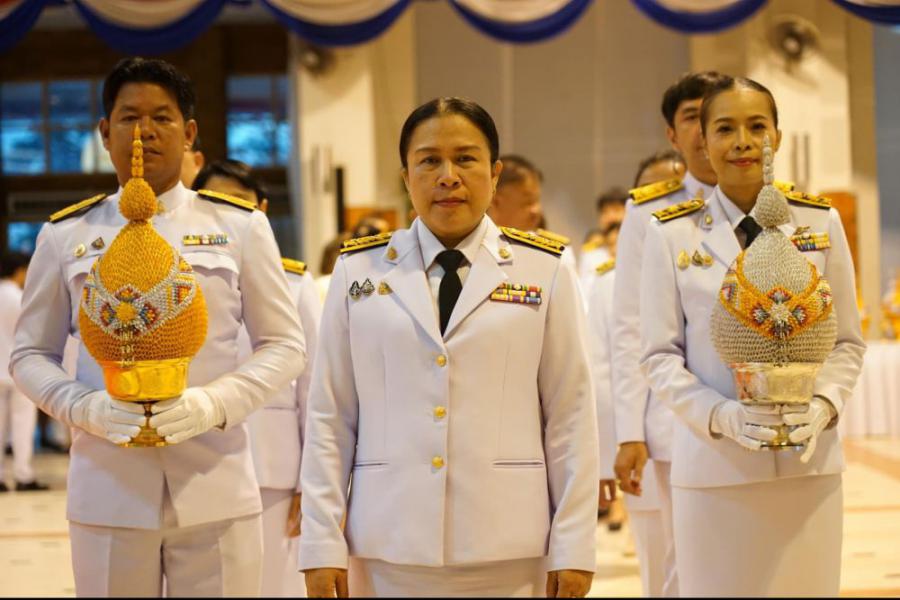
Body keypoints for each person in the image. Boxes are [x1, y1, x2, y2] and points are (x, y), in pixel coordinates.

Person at [11, 57, 306, 597]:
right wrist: (83, 407)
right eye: (129, 117)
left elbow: (284, 345)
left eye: (162, 118)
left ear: (189, 133)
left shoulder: (239, 226)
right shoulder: (66, 235)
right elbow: (29, 354)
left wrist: (215, 403)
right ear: (105, 132)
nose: (144, 131)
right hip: (108, 485)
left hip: (215, 481)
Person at [299, 97, 599, 598]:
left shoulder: (544, 270)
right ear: (406, 176)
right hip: (389, 539)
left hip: (508, 542)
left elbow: (571, 414)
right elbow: (330, 414)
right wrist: (321, 542)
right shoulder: (357, 272)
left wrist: (574, 544)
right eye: (429, 161)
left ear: (494, 173)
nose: (448, 177)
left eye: (465, 159)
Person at [640, 76, 865, 596]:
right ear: (703, 141)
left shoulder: (819, 221)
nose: (742, 141)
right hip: (715, 468)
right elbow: (658, 356)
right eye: (725, 128)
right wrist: (720, 416)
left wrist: (825, 405)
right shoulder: (670, 233)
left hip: (809, 467)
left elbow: (848, 342)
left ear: (777, 137)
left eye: (757, 126)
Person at [610, 70, 729, 598]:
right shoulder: (649, 210)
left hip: (756, 409)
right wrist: (629, 430)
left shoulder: (773, 204)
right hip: (675, 416)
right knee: (687, 560)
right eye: (692, 118)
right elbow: (629, 324)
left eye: (716, 117)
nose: (706, 131)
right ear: (672, 135)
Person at [195, 158, 321, 597]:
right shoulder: (179, 281)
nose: (226, 216)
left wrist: (311, 482)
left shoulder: (294, 283)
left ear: (261, 211)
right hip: (199, 460)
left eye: (238, 204)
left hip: (272, 465)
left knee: (271, 586)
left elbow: (314, 389)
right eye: (215, 204)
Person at [0, 252, 48, 492]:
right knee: (22, 425)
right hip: (18, 369)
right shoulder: (20, 298)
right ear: (19, 270)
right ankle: (23, 475)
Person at [487, 154, 577, 271]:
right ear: (495, 201)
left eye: (537, 200)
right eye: (527, 202)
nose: (536, 210)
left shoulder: (553, 253)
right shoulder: (473, 246)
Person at [578, 187, 627, 293]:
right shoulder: (591, 253)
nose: (610, 217)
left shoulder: (639, 248)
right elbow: (584, 292)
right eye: (605, 212)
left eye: (616, 210)